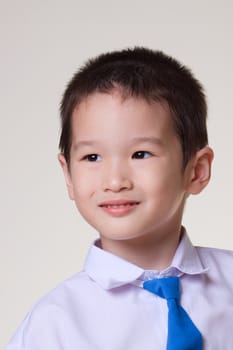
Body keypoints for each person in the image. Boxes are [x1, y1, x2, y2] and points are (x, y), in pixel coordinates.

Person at [5, 47, 233, 350]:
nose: (114, 181)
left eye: (140, 154)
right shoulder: (53, 325)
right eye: (92, 156)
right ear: (68, 176)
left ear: (196, 171)